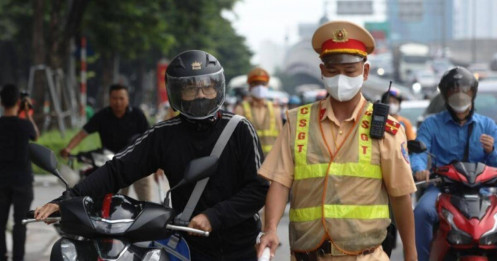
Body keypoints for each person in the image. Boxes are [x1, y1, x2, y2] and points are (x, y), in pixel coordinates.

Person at [35, 50, 269, 261]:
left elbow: (258, 189)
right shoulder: (164, 134)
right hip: (188, 245)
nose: (201, 95)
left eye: (207, 87)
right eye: (191, 88)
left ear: (218, 89)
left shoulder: (239, 129)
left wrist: (214, 216)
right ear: (176, 92)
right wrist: (65, 200)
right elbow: (117, 170)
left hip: (239, 246)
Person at [257, 21, 417, 261]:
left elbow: (400, 196)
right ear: (322, 70)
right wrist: (270, 229)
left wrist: (411, 255)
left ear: (365, 72)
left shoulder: (387, 129)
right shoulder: (297, 123)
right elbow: (280, 183)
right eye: (332, 70)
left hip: (366, 256)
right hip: (308, 256)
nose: (340, 77)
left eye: (350, 71)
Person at [411, 67, 497, 261]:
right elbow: (419, 152)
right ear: (445, 94)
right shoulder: (431, 124)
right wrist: (419, 170)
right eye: (454, 90)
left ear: (472, 93)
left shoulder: (488, 126)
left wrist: (491, 152)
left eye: (465, 90)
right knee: (422, 213)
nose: (460, 95)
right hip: (442, 190)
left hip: (480, 191)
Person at [60, 84, 153, 201]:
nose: (118, 102)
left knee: (146, 201)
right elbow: (82, 133)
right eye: (114, 98)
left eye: (121, 98)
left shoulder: (137, 114)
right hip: (113, 165)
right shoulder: (102, 116)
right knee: (116, 203)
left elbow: (150, 138)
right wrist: (69, 148)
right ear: (109, 99)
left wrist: (157, 161)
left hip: (138, 163)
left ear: (127, 99)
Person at [0, 84, 39, 261]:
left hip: (1, 181)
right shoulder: (25, 125)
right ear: (18, 102)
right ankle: (18, 258)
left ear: (1, 102)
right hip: (22, 181)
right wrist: (27, 113)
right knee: (19, 223)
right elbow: (36, 135)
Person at [234, 67, 283, 155]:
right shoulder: (240, 109)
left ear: (267, 86)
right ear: (249, 87)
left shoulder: (275, 109)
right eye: (255, 84)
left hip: (270, 162)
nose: (259, 87)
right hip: (249, 162)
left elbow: (281, 138)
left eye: (263, 84)